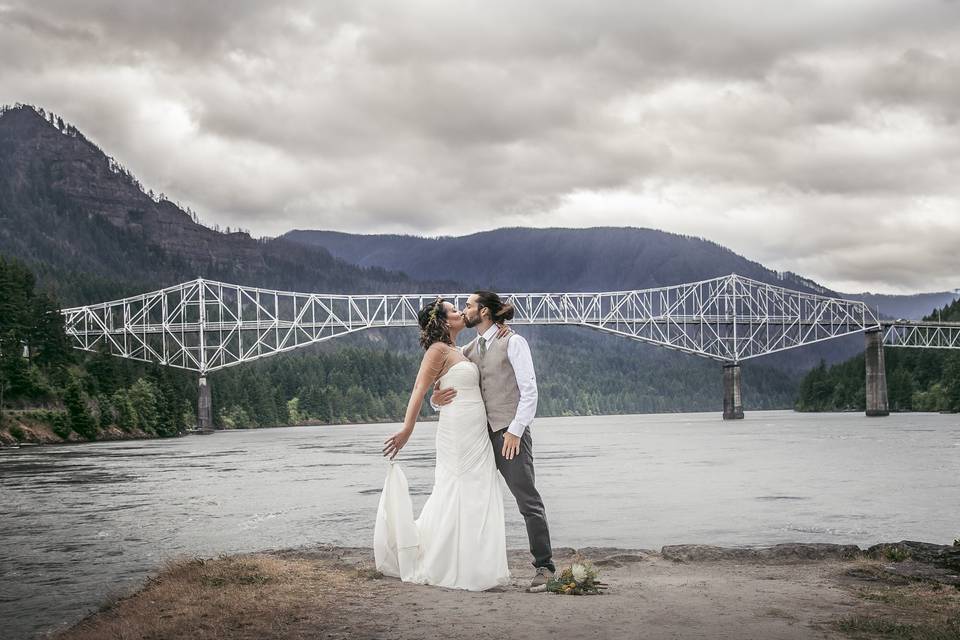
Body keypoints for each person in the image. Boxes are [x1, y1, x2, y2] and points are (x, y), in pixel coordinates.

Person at [374, 298, 510, 591]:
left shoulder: (459, 350)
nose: (461, 311)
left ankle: (477, 564)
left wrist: (501, 328)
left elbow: (451, 386)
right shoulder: (437, 351)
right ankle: (450, 563)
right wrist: (407, 429)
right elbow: (419, 391)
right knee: (457, 489)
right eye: (453, 309)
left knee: (481, 489)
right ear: (444, 321)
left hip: (477, 432)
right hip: (458, 432)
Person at [431, 291, 555, 588]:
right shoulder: (470, 348)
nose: (465, 310)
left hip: (509, 436)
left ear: (484, 311)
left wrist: (515, 430)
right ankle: (473, 565)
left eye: (469, 306)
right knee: (476, 502)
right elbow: (447, 387)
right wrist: (435, 401)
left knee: (528, 501)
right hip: (478, 439)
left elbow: (530, 391)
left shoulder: (514, 342)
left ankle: (545, 567)